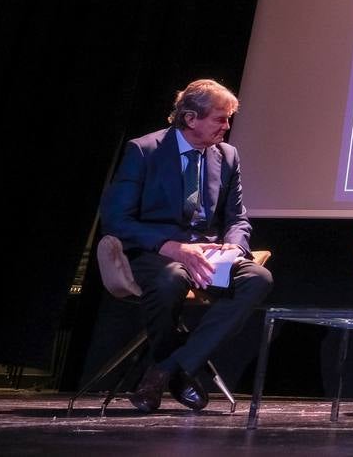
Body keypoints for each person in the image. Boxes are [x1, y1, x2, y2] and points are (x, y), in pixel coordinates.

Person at [100, 79, 273, 413]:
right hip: (158, 251)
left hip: (209, 252)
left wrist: (234, 248)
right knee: (171, 280)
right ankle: (176, 371)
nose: (227, 127)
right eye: (220, 119)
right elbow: (117, 219)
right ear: (191, 118)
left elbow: (237, 218)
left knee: (258, 279)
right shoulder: (144, 150)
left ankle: (166, 370)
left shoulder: (227, 155)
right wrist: (170, 247)